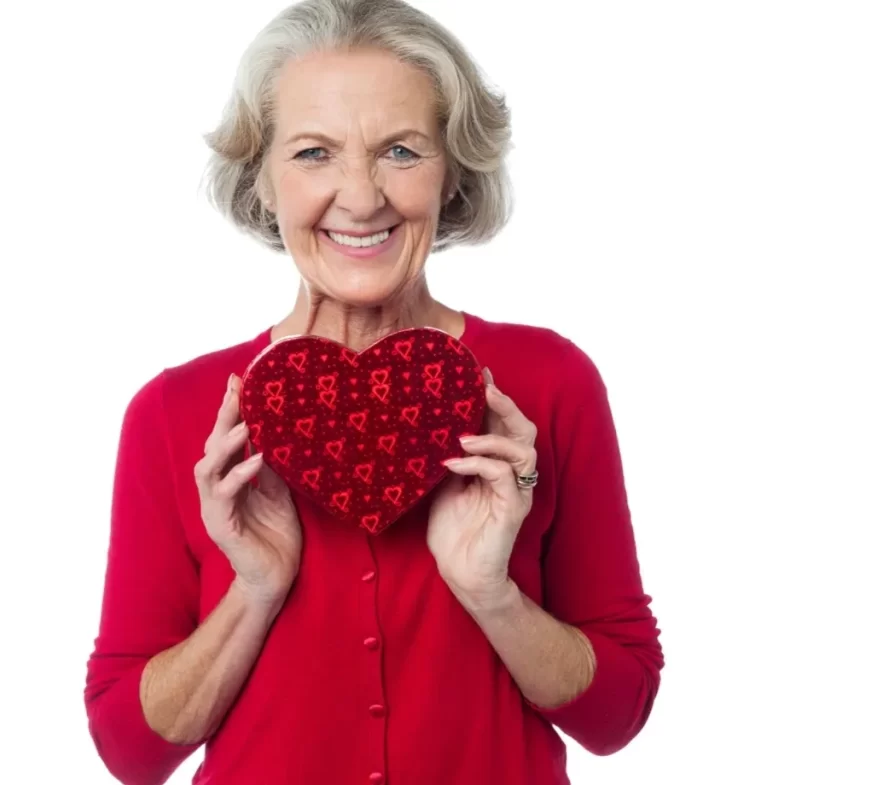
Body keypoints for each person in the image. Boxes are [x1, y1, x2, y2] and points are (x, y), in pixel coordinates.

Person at [83, 1, 664, 783]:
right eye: (314, 153)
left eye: (400, 149)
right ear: (262, 179)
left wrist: (490, 593)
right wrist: (254, 591)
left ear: (453, 168)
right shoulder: (172, 413)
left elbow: (617, 714)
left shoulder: (550, 384)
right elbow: (130, 749)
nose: (360, 197)